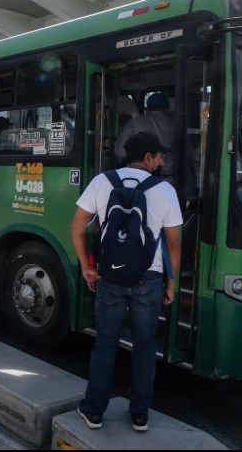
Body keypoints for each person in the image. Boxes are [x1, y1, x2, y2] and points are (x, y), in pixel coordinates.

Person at [70, 132, 183, 432]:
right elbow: (174, 244)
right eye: (159, 156)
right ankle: (139, 414)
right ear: (147, 157)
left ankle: (93, 411)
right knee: (144, 346)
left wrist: (86, 267)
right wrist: (171, 284)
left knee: (105, 344)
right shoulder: (165, 190)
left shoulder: (102, 181)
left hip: (110, 277)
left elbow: (78, 225)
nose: (161, 161)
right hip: (149, 279)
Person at [114, 92, 174, 177]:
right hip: (167, 178)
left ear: (147, 108)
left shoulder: (134, 123)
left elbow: (120, 152)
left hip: (137, 177)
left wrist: (133, 163)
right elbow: (187, 153)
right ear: (167, 109)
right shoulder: (175, 125)